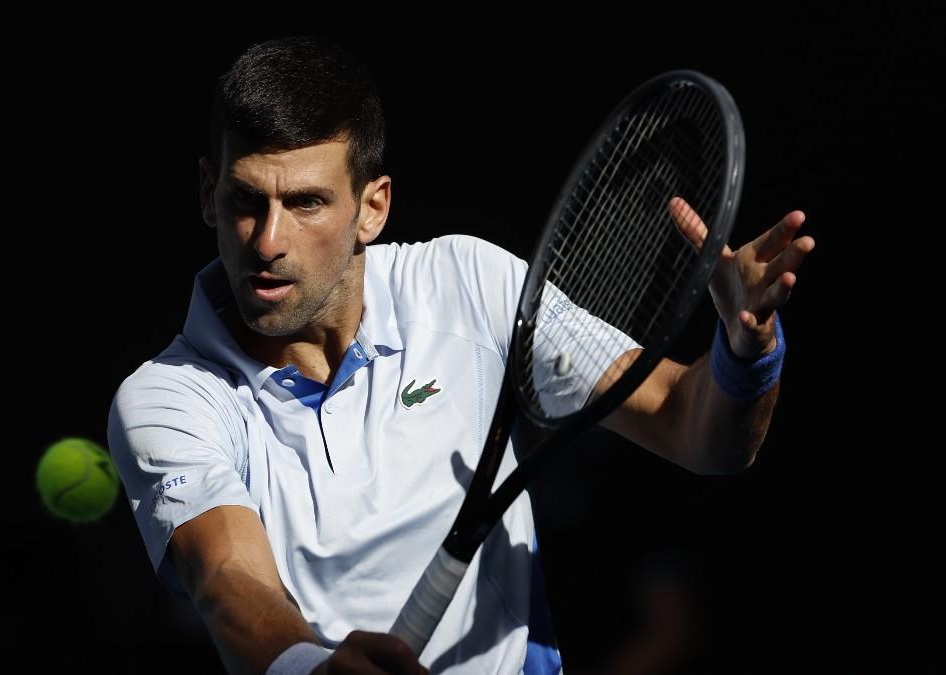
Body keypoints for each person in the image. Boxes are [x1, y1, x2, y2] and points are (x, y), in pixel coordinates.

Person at [107, 36, 814, 675]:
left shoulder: (467, 286)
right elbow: (229, 579)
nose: (267, 241)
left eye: (307, 203)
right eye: (245, 200)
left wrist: (744, 348)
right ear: (207, 191)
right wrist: (308, 667)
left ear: (373, 208)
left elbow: (699, 433)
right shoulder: (168, 397)